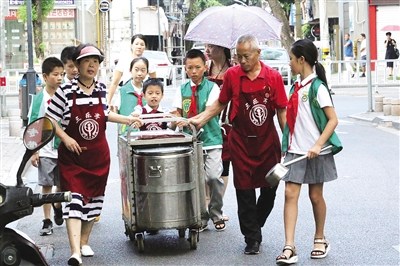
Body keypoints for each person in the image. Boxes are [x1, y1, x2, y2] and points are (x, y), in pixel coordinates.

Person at [189, 34, 287, 255]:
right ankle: (251, 238)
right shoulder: (233, 75)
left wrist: (288, 140)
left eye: (246, 56)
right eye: (238, 56)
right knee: (244, 191)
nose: (241, 61)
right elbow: (220, 104)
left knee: (270, 189)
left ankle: (255, 223)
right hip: (241, 142)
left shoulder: (273, 77)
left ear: (258, 54)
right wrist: (200, 119)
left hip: (267, 142)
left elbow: (282, 110)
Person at [45, 44, 142, 266]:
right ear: (77, 65)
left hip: (98, 158)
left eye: (96, 61)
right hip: (72, 159)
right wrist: (66, 138)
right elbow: (50, 119)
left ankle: (84, 242)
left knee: (93, 202)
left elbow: (105, 115)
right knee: (74, 201)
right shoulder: (66, 91)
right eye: (87, 61)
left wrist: (128, 119)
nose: (92, 65)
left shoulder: (100, 87)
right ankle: (74, 252)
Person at [275, 39, 343, 265]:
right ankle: (289, 246)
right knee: (289, 194)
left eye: (291, 60)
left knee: (315, 197)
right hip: (296, 151)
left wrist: (317, 145)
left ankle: (320, 238)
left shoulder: (318, 88)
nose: (290, 64)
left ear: (301, 60)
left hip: (317, 152)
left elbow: (333, 120)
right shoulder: (295, 86)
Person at [172, 49, 226, 232]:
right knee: (196, 181)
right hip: (189, 143)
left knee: (213, 177)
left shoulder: (213, 88)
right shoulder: (182, 89)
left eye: (197, 67)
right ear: (185, 69)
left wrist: (190, 120)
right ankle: (201, 217)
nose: (194, 71)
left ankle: (216, 211)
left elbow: (210, 111)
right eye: (190, 68)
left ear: (205, 67)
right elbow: (176, 112)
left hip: (211, 140)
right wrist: (177, 120)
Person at [28, 57, 64, 236]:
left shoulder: (65, 95)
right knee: (46, 185)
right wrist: (34, 151)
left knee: (62, 184)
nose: (59, 78)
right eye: (55, 74)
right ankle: (47, 220)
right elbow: (33, 125)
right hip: (46, 150)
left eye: (62, 74)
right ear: (45, 76)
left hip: (63, 148)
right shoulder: (39, 99)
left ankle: (58, 204)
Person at [204, 43, 232, 220]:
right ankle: (206, 203)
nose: (207, 50)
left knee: (224, 163)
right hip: (206, 119)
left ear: (222, 49)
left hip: (225, 121)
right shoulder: (205, 67)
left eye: (211, 47)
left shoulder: (233, 69)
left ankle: (217, 204)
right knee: (205, 161)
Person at [107, 34, 157, 111]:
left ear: (145, 47)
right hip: (127, 94)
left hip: (143, 95)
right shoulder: (124, 60)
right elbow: (114, 82)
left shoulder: (149, 61)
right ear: (131, 45)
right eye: (136, 44)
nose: (139, 46)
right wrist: (108, 101)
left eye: (142, 44)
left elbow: (155, 82)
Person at [117, 57, 149, 134]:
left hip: (146, 133)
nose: (139, 73)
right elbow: (115, 111)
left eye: (143, 70)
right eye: (136, 70)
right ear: (130, 70)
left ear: (147, 72)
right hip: (127, 133)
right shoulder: (123, 91)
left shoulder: (149, 91)